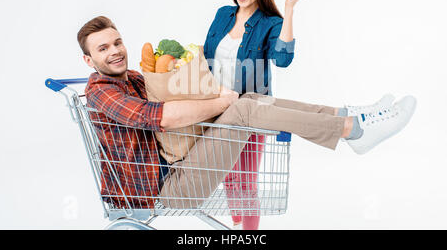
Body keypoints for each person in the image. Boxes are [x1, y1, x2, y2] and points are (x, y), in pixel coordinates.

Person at [78, 16, 416, 215]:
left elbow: (173, 103)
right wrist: (222, 104)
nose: (115, 52)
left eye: (117, 42)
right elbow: (161, 118)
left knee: (251, 98)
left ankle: (347, 116)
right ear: (89, 60)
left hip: (179, 165)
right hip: (163, 188)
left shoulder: (136, 77)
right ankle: (352, 130)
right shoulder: (101, 90)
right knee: (239, 106)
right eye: (103, 48)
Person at [203, 0, 302, 230]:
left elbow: (282, 59)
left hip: (251, 113)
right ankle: (236, 225)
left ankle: (248, 233)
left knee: (245, 180)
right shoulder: (223, 15)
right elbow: (207, 57)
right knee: (227, 177)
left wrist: (290, 8)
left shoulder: (270, 22)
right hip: (217, 109)